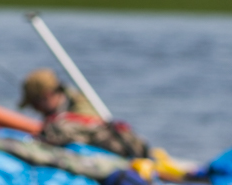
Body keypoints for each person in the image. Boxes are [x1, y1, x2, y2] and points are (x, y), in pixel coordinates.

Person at [19, 67, 152, 158]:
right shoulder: (63, 106)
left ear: (47, 96)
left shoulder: (82, 108)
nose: (35, 109)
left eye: (35, 104)